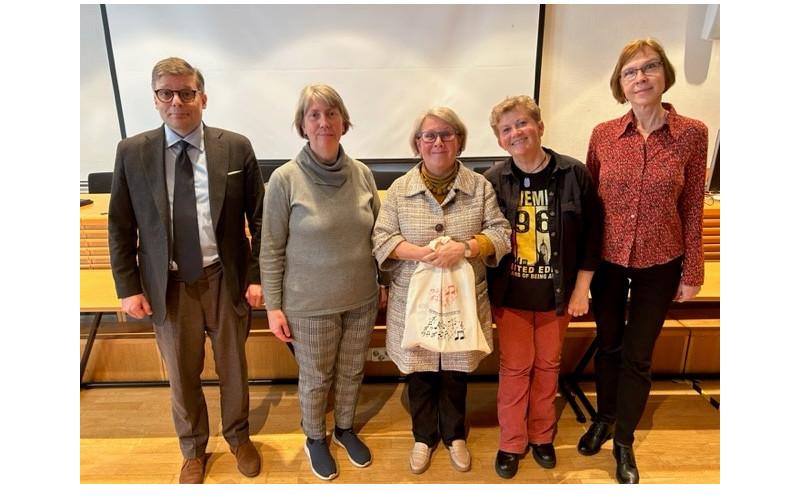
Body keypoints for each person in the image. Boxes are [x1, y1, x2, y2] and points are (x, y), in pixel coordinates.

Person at [108, 57, 264, 484]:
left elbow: (261, 217)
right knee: (182, 374)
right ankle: (193, 447)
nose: (178, 101)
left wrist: (256, 276)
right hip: (167, 286)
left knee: (234, 368)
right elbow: (120, 224)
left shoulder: (235, 147)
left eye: (187, 92)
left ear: (203, 97)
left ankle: (238, 437)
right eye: (167, 93)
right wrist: (128, 287)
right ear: (156, 100)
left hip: (223, 279)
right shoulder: (132, 151)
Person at [578, 38, 708, 484]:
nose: (641, 77)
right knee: (609, 344)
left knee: (638, 354)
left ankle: (625, 440)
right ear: (620, 83)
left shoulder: (693, 133)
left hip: (661, 260)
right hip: (609, 261)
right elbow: (591, 205)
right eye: (631, 72)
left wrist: (693, 271)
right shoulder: (603, 135)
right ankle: (605, 416)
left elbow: (692, 204)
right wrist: (583, 269)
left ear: (664, 74)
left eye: (649, 68)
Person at [372, 107, 511, 475]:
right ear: (417, 143)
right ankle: (423, 437)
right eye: (429, 135)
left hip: (461, 301)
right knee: (419, 371)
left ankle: (454, 435)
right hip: (414, 301)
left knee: (454, 371)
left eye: (447, 134)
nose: (437, 142)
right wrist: (419, 253)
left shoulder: (480, 187)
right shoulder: (401, 189)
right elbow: (381, 238)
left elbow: (501, 232)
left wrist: (466, 247)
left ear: (460, 141)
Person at [260, 84, 386, 481]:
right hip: (309, 304)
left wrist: (382, 283)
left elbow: (379, 236)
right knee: (316, 378)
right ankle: (315, 437)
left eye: (331, 114)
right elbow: (271, 248)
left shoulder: (362, 174)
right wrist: (273, 306)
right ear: (302, 124)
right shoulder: (285, 179)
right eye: (314, 115)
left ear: (343, 122)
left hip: (361, 298)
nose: (323, 122)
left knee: (351, 372)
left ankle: (345, 429)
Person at [484, 95, 603, 479]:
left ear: (539, 125)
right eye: (506, 129)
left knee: (548, 365)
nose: (515, 133)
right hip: (512, 296)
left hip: (559, 295)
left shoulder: (574, 173)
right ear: (500, 140)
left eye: (522, 123)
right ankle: (511, 442)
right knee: (516, 367)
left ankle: (542, 436)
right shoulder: (493, 180)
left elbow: (591, 237)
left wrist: (582, 288)